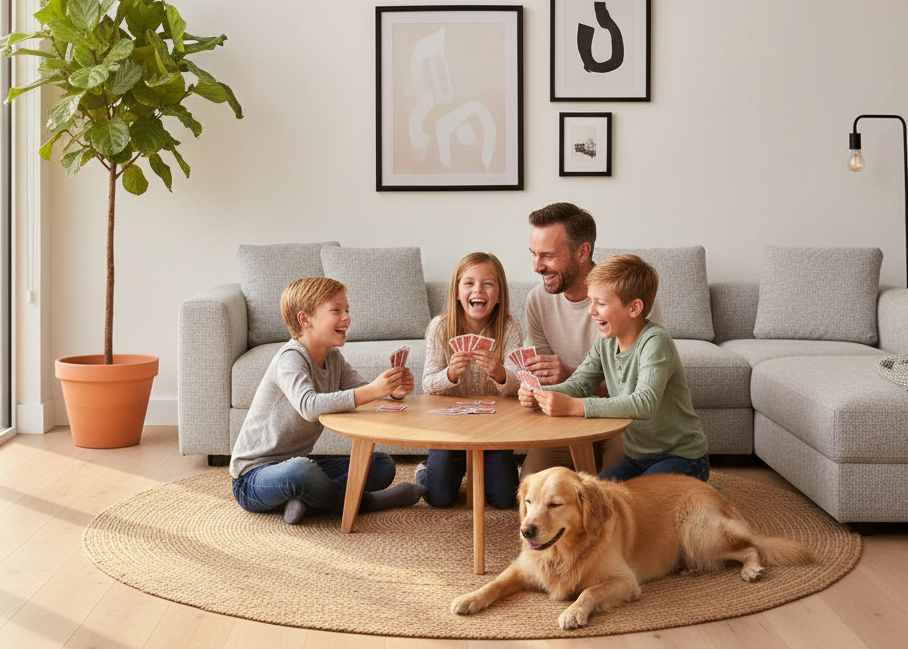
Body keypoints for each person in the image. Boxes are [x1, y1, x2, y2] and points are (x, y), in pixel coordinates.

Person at [230, 277, 422, 524]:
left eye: (347, 310)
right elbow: (309, 406)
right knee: (301, 471)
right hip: (253, 478)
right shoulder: (290, 359)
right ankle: (370, 502)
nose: (346, 317)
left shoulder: (333, 358)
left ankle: (306, 501)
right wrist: (373, 391)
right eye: (336, 310)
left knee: (380, 463)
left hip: (298, 466)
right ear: (305, 320)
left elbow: (363, 391)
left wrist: (392, 392)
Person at [519, 254, 710, 483]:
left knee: (636, 504)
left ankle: (699, 497)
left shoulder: (655, 341)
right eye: (591, 301)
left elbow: (644, 403)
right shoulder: (606, 341)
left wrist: (574, 406)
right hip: (636, 457)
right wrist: (542, 393)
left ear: (634, 308)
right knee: (596, 497)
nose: (591, 311)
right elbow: (580, 383)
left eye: (600, 303)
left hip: (682, 457)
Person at [416, 252, 523, 508]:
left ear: (499, 294)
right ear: (456, 292)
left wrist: (500, 373)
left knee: (505, 499)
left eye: (488, 283)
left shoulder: (510, 327)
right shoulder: (440, 327)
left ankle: (486, 469)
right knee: (438, 498)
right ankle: (425, 469)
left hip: (494, 427)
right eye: (469, 283)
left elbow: (519, 384)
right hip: (449, 427)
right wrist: (450, 374)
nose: (479, 290)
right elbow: (427, 384)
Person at [520, 201, 620, 477]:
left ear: (582, 252)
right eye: (533, 254)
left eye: (548, 256)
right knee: (533, 485)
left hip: (621, 414)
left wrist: (571, 375)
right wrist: (532, 390)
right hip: (566, 414)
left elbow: (637, 385)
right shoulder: (537, 301)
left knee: (619, 489)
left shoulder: (625, 294)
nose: (537, 267)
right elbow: (541, 379)